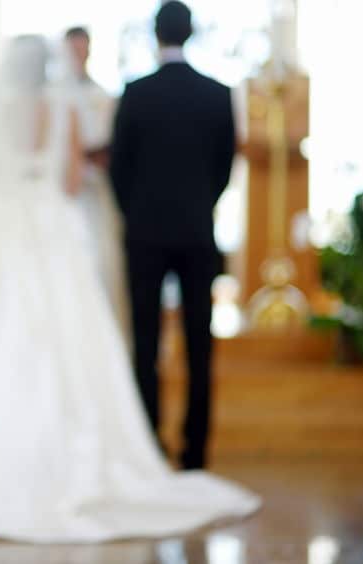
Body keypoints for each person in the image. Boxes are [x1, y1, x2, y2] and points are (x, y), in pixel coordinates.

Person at [0, 35, 258, 542]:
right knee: (80, 337)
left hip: (5, 228)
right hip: (59, 227)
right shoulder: (64, 108)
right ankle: (163, 456)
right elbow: (73, 181)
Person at [109, 1, 236, 470]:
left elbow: (119, 167)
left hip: (145, 234)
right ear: (191, 33)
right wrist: (200, 206)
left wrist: (137, 213)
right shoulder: (217, 94)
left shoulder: (135, 93)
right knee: (200, 347)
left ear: (155, 35)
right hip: (197, 233)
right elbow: (224, 167)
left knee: (146, 344)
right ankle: (195, 452)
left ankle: (150, 444)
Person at [62, 27, 131, 348]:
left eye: (83, 49)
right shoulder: (53, 97)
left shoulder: (104, 97)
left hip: (96, 191)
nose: (79, 55)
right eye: (73, 49)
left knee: (102, 264)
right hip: (65, 194)